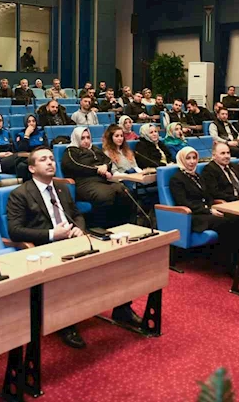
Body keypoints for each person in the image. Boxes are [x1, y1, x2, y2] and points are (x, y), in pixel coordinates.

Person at [7, 148, 142, 347]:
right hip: (47, 247)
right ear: (32, 168)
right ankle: (65, 323)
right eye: (43, 160)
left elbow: (77, 214)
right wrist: (53, 234)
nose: (50, 162)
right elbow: (15, 231)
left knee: (115, 258)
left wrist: (79, 228)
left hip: (73, 240)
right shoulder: (20, 194)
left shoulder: (61, 188)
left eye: (51, 159)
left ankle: (122, 307)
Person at [169, 147, 239, 269]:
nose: (192, 161)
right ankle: (229, 263)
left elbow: (208, 196)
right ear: (182, 160)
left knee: (235, 218)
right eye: (188, 158)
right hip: (193, 216)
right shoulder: (176, 179)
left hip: (206, 212)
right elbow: (184, 203)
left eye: (194, 158)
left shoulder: (198, 176)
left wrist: (212, 206)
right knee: (226, 223)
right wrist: (208, 210)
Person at [61, 127, 133, 228]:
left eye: (88, 137)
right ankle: (104, 227)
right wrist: (97, 169)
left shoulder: (94, 148)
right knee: (106, 195)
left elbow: (108, 161)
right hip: (84, 183)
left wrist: (105, 167)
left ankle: (125, 225)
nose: (86, 141)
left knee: (124, 190)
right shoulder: (70, 151)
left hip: (102, 181)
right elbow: (75, 166)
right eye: (82, 138)